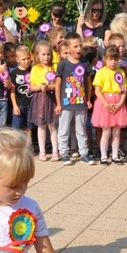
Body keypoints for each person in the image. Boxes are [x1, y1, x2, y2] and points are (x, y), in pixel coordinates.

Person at [55, 33, 92, 166]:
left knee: (81, 129)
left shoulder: (85, 63)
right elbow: (58, 86)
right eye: (75, 46)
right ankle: (64, 153)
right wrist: (58, 104)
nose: (79, 48)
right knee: (63, 129)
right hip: (66, 103)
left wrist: (88, 99)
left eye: (80, 46)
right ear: (67, 48)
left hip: (81, 103)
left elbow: (89, 84)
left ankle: (84, 153)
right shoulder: (62, 65)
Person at [92, 45, 127, 165]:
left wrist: (120, 103)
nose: (113, 62)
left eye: (115, 59)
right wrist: (106, 104)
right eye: (110, 59)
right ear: (104, 59)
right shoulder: (101, 72)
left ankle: (115, 155)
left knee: (116, 132)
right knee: (106, 131)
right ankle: (103, 156)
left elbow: (124, 90)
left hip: (118, 102)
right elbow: (97, 91)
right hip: (105, 102)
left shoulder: (121, 72)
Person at [29, 40, 58, 161]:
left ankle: (55, 151)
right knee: (41, 126)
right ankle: (42, 151)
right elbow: (32, 87)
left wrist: (49, 87)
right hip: (40, 99)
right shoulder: (35, 68)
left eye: (48, 54)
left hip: (52, 99)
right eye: (43, 54)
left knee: (53, 125)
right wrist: (41, 87)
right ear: (37, 55)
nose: (46, 57)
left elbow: (58, 85)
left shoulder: (54, 67)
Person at [9, 45, 32, 135]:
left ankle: (28, 143)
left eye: (28, 58)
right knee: (16, 128)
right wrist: (15, 105)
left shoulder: (33, 70)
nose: (27, 61)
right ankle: (16, 144)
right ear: (17, 59)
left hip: (31, 104)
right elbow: (12, 91)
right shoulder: (14, 73)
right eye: (24, 59)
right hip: (20, 104)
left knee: (29, 127)